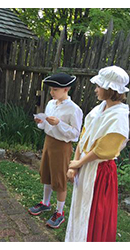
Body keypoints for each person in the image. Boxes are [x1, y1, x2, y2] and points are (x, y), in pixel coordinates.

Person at [65, 66, 129, 242]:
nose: (95, 89)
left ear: (110, 89)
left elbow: (102, 150)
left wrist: (78, 164)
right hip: (86, 165)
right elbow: (83, 137)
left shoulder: (120, 116)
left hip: (99, 170)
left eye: (99, 86)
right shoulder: (98, 110)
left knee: (93, 213)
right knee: (79, 209)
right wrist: (75, 162)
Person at [28, 73, 83, 229]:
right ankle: (45, 203)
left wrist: (59, 123)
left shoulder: (74, 110)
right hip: (49, 142)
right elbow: (46, 125)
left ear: (66, 89)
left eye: (55, 89)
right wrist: (41, 121)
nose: (52, 92)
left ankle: (60, 212)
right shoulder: (51, 104)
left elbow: (75, 134)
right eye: (51, 89)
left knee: (59, 178)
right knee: (46, 173)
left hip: (62, 146)